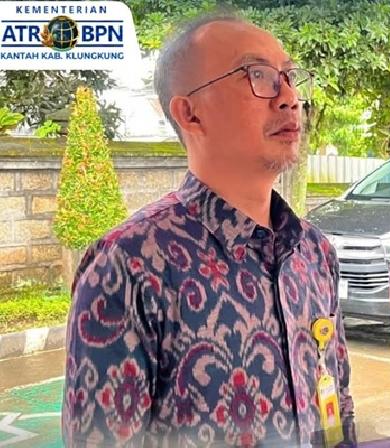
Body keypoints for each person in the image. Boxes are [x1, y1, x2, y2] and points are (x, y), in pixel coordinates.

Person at [62, 11, 354, 446]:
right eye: (258, 76)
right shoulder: (129, 265)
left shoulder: (314, 252)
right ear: (190, 114)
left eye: (290, 78)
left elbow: (337, 404)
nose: (290, 98)